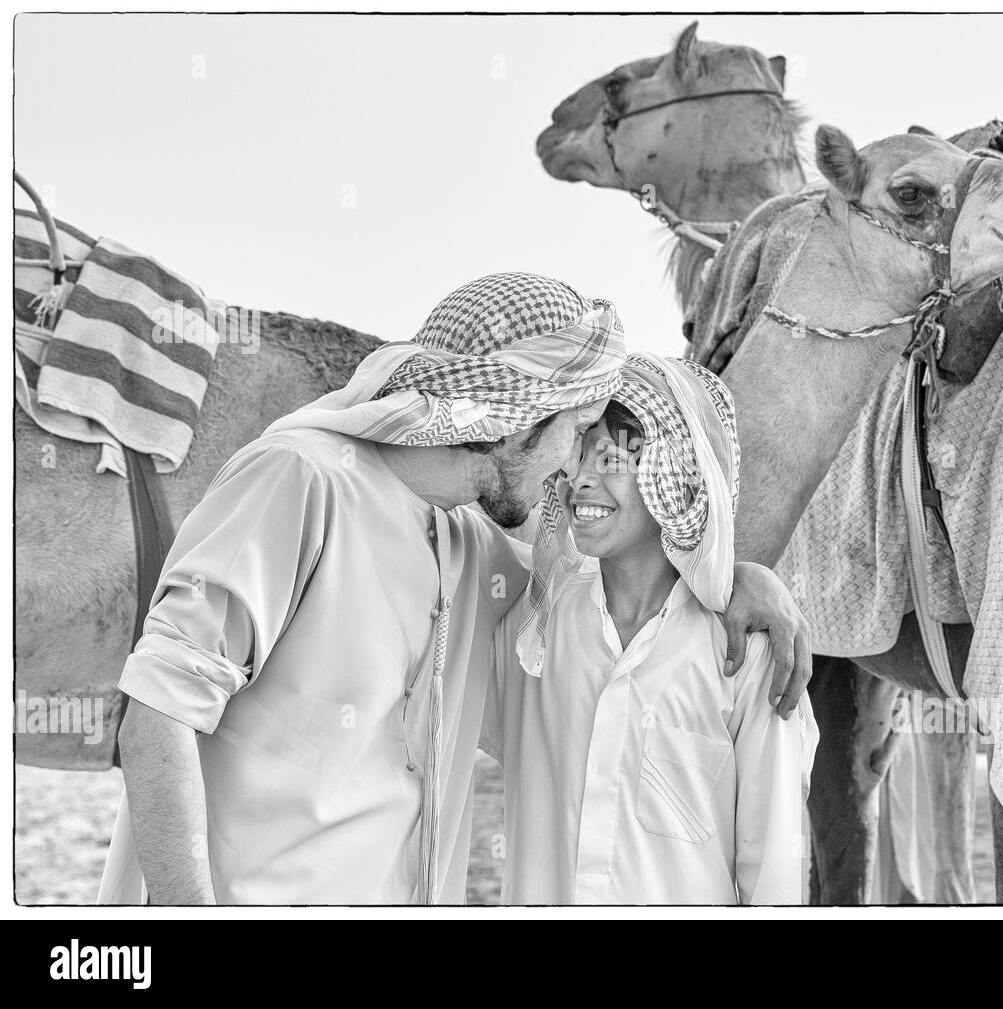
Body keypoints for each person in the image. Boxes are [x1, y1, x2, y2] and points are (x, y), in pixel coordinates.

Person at [97, 273, 811, 905]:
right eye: (575, 433)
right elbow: (158, 714)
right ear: (516, 421)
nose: (570, 467)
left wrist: (739, 574)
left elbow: (625, 581)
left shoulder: (472, 551)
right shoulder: (302, 480)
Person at [481, 353, 819, 904]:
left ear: (676, 476)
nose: (578, 482)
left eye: (611, 460)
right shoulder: (530, 629)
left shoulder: (745, 652)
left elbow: (775, 870)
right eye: (574, 456)